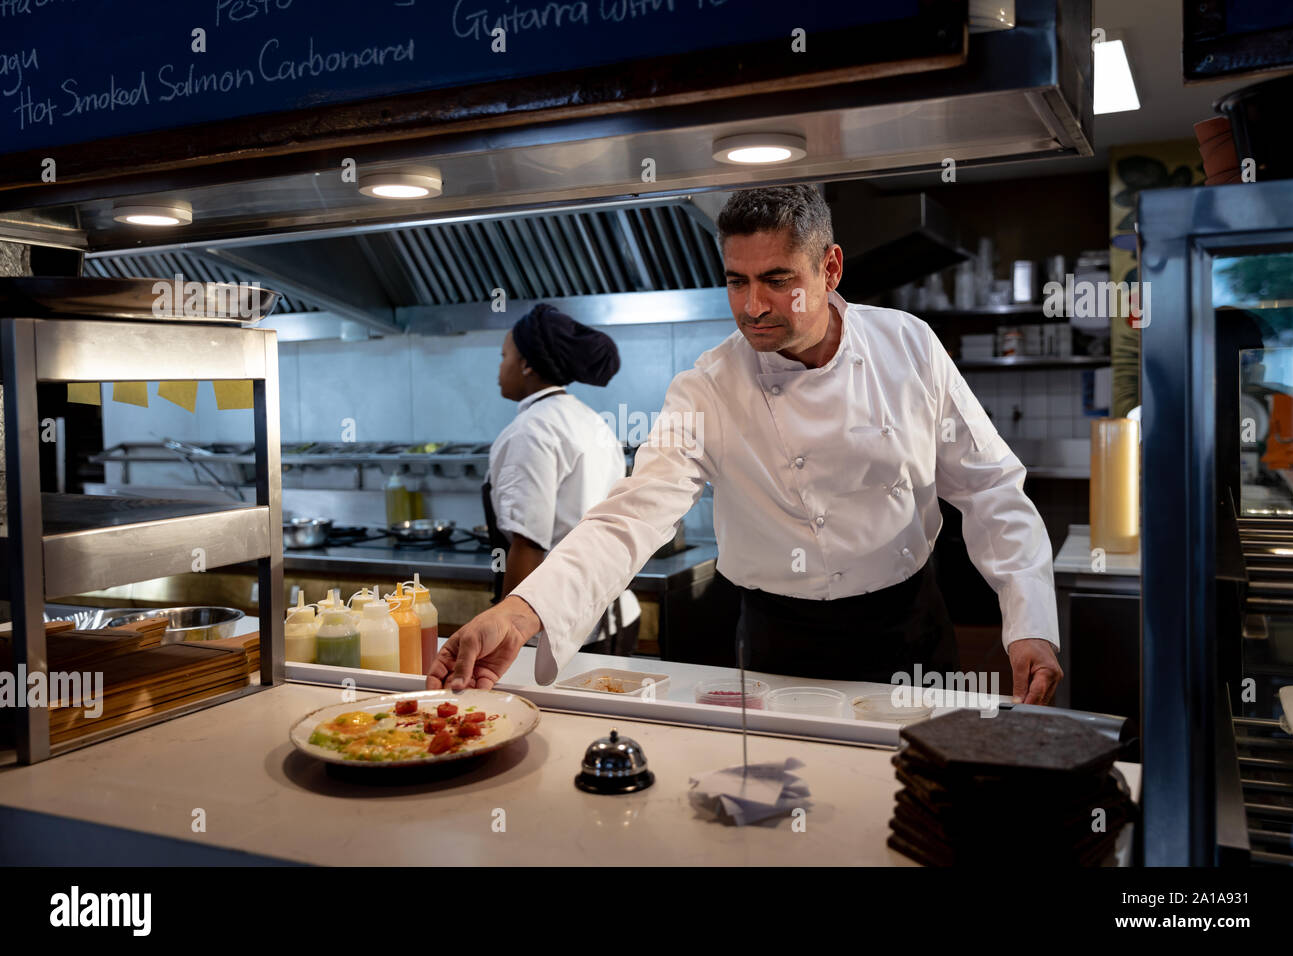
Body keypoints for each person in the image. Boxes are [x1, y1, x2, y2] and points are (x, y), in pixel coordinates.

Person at [429, 185, 1062, 705]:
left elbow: (988, 488)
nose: (752, 306)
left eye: (776, 279)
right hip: (776, 641)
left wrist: (1029, 622)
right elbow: (632, 514)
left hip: (907, 630)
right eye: (737, 281)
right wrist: (520, 611)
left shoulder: (909, 347)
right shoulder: (707, 387)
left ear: (830, 267)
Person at [482, 303, 640, 654]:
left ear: (526, 364)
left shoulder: (530, 430)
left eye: (504, 356)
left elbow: (529, 543)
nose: (499, 368)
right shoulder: (590, 420)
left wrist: (509, 633)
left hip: (559, 630)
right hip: (615, 616)